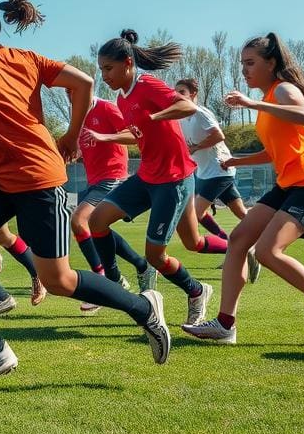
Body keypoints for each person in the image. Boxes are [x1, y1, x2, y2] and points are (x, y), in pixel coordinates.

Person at [0, 0, 170, 393]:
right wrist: (70, 135)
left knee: (57, 280)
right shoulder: (24, 56)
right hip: (3, 175)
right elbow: (84, 83)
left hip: (38, 178)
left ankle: (143, 307)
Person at [183, 33, 304, 344]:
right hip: (288, 185)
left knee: (267, 251)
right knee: (239, 239)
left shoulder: (282, 89)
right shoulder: (268, 99)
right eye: (242, 63)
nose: (244, 69)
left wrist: (252, 103)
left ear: (271, 63)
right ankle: (225, 325)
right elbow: (273, 152)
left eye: (250, 63)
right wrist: (236, 162)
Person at [86, 32, 218, 333]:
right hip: (147, 176)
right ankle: (113, 279)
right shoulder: (122, 97)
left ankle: (197, 291)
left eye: (108, 68)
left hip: (173, 179)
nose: (103, 75)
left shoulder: (147, 85)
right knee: (96, 221)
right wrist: (108, 137)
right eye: (102, 68)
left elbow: (187, 107)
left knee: (158, 255)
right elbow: (138, 133)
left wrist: (157, 115)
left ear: (128, 64)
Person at [70, 90, 153, 315]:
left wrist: (103, 136)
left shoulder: (105, 107)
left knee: (79, 220)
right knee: (97, 227)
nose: (70, 94)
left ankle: (103, 282)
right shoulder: (77, 114)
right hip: (93, 180)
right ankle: (139, 265)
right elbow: (82, 145)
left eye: (72, 89)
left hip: (112, 175)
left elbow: (133, 135)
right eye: (66, 90)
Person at [174, 77, 260, 282]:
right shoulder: (180, 117)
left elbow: (218, 135)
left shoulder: (200, 113)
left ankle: (234, 247)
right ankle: (250, 247)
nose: (177, 95)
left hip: (219, 169)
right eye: (176, 92)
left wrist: (195, 147)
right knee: (241, 213)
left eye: (182, 92)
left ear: (193, 94)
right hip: (205, 172)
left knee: (195, 214)